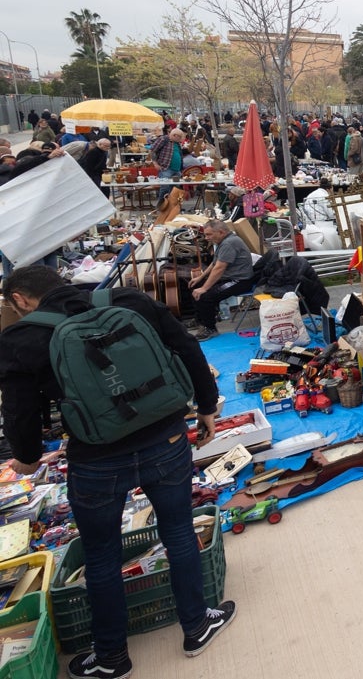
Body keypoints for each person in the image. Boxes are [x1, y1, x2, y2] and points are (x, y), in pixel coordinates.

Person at [0, 266, 236, 679]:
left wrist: (28, 456)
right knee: (178, 531)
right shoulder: (129, 300)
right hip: (165, 438)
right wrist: (206, 407)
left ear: (20, 298)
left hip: (95, 459)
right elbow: (186, 347)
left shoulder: (20, 338)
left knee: (101, 554)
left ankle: (112, 657)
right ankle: (197, 626)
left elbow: (19, 409)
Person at [187, 219, 256, 340]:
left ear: (221, 232)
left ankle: (210, 328)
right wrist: (200, 278)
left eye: (209, 234)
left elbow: (219, 268)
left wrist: (204, 288)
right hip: (229, 278)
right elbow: (215, 263)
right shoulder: (223, 241)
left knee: (206, 296)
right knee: (194, 286)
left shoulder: (229, 243)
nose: (206, 238)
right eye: (205, 234)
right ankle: (200, 320)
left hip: (240, 281)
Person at [150, 128, 187, 202]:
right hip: (166, 169)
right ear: (174, 135)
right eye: (179, 137)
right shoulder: (163, 139)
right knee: (165, 188)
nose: (180, 140)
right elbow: (152, 150)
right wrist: (155, 163)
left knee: (175, 190)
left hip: (176, 170)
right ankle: (161, 207)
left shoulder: (176, 143)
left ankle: (172, 207)